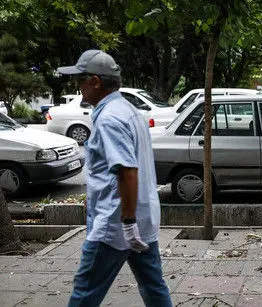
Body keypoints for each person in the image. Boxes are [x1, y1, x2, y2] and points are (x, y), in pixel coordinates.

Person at [58, 50, 172, 306]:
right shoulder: (128, 111)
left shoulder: (110, 118)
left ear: (96, 81)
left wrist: (128, 221)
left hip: (116, 223)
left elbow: (126, 170)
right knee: (154, 288)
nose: (78, 87)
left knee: (85, 292)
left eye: (80, 80)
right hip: (142, 219)